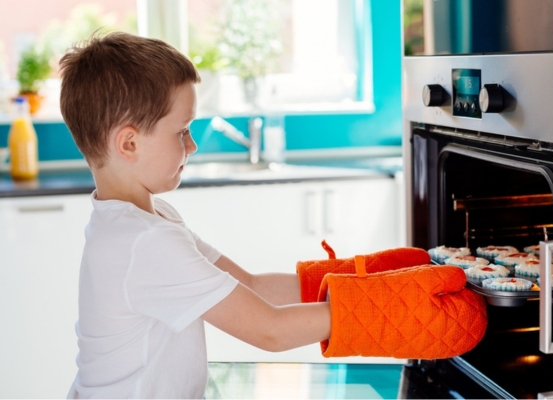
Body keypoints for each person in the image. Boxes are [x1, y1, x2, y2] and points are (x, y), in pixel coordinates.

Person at [60, 32, 486, 399]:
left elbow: (251, 286)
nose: (191, 146)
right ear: (129, 144)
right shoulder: (144, 242)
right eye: (182, 131)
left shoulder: (150, 220)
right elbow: (270, 330)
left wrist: (362, 277)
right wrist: (378, 306)